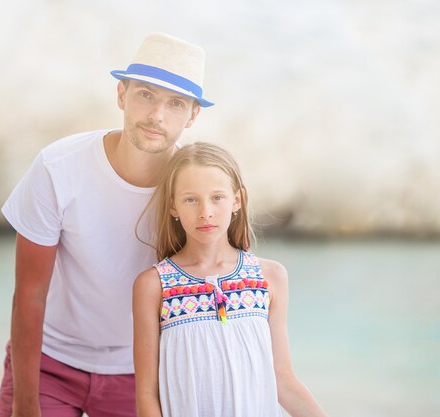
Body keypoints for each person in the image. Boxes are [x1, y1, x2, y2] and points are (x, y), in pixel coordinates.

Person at [0, 32, 214, 417]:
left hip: (141, 372)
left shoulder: (195, 189)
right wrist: (25, 405)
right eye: (145, 94)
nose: (157, 116)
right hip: (49, 361)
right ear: (121, 95)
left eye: (176, 104)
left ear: (192, 115)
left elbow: (207, 291)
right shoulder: (58, 167)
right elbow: (29, 294)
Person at [133, 143, 329, 417]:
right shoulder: (153, 285)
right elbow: (147, 394)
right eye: (191, 199)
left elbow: (283, 380)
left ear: (237, 200)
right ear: (173, 206)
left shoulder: (269, 276)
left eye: (217, 197)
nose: (205, 212)